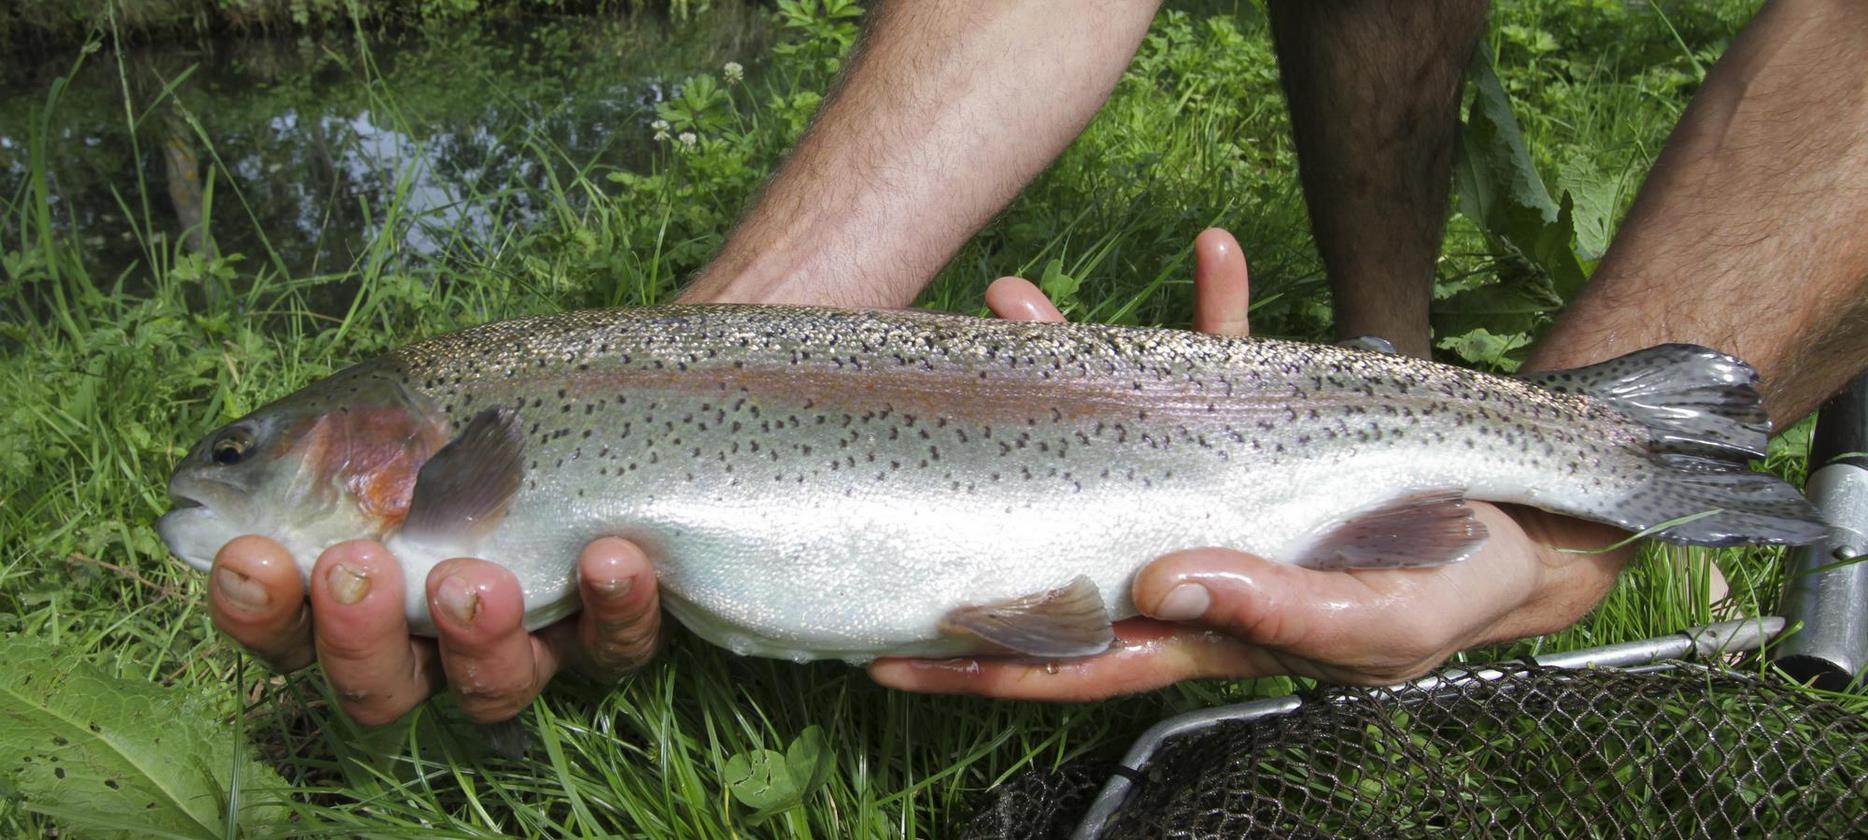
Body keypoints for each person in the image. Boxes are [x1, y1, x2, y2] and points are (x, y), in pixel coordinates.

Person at [203, 0, 1868, 723]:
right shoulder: (464, 425)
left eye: (245, 448)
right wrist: (752, 315)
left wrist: (1570, 516)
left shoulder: (451, 419)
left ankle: (1529, 431)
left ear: (359, 444)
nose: (226, 475)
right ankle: (1457, 412)